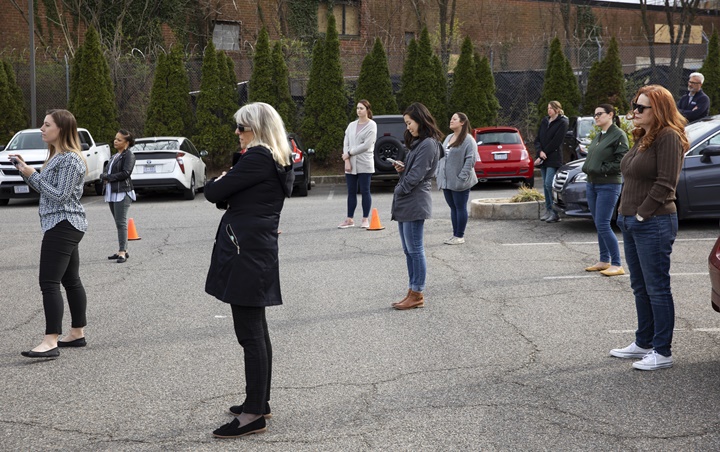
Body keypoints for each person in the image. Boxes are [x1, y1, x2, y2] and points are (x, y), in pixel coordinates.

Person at [204, 102, 294, 438]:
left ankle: (254, 413)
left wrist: (224, 179)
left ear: (257, 129)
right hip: (255, 249)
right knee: (257, 330)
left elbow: (214, 191)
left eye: (241, 127)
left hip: (247, 252)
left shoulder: (257, 157)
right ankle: (260, 401)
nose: (237, 133)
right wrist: (227, 185)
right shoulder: (275, 157)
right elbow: (224, 198)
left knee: (250, 334)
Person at [610, 85, 688, 371]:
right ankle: (643, 342)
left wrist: (641, 214)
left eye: (641, 107)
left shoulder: (668, 136)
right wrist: (623, 213)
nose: (635, 111)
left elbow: (666, 183)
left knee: (657, 288)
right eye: (635, 105)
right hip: (630, 221)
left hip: (653, 221)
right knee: (640, 286)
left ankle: (662, 351)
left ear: (659, 110)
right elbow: (631, 177)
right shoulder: (643, 137)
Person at [11, 109, 89, 358]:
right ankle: (77, 333)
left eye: (46, 125)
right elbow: (46, 190)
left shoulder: (70, 159)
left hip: (63, 224)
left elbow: (59, 196)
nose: (42, 129)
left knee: (49, 282)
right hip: (63, 223)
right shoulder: (57, 156)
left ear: (62, 129)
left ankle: (50, 341)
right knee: (71, 280)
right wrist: (26, 171)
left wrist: (33, 174)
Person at [390, 102, 442, 310]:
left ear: (420, 120)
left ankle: (417, 293)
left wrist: (399, 188)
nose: (408, 127)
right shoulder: (420, 142)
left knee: (415, 249)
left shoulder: (429, 143)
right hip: (407, 201)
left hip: (415, 201)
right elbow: (413, 171)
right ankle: (411, 291)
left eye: (409, 123)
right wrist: (402, 170)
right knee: (408, 250)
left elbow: (417, 175)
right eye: (406, 123)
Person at [581, 104, 629, 277]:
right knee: (599, 224)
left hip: (608, 184)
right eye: (594, 114)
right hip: (592, 183)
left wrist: (601, 169)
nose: (596, 117)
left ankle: (617, 263)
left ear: (610, 115)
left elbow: (622, 161)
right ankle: (603, 260)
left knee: (603, 223)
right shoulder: (600, 135)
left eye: (599, 114)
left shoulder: (618, 135)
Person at [436, 112, 478, 245]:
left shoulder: (468, 140)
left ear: (462, 122)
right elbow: (442, 156)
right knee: (453, 208)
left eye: (454, 119)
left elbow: (470, 160)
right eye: (451, 118)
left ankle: (460, 236)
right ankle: (455, 235)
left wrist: (462, 178)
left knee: (460, 207)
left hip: (460, 181)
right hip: (447, 181)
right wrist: (438, 172)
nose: (451, 121)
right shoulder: (448, 137)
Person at [338, 100, 377, 229]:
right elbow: (346, 142)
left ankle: (365, 218)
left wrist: (349, 153)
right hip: (350, 163)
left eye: (361, 108)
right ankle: (349, 219)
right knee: (351, 191)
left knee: (365, 190)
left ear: (367, 110)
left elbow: (366, 145)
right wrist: (347, 160)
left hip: (364, 162)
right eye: (357, 108)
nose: (359, 110)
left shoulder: (372, 125)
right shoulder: (351, 125)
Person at [102, 129, 136, 263]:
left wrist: (109, 177)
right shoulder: (115, 156)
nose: (115, 141)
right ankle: (123, 249)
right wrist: (104, 176)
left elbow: (126, 173)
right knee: (118, 222)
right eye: (115, 138)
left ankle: (122, 251)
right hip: (112, 191)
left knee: (121, 222)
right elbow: (109, 171)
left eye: (119, 140)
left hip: (122, 192)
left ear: (126, 143)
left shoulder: (129, 155)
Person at [534, 101, 569, 223]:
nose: (548, 110)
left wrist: (544, 154)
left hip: (553, 158)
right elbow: (537, 139)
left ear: (557, 109)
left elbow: (556, 142)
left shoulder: (562, 122)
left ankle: (555, 212)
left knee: (550, 184)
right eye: (548, 108)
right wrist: (539, 152)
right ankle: (548, 210)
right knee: (544, 185)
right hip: (543, 157)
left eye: (551, 108)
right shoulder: (545, 121)